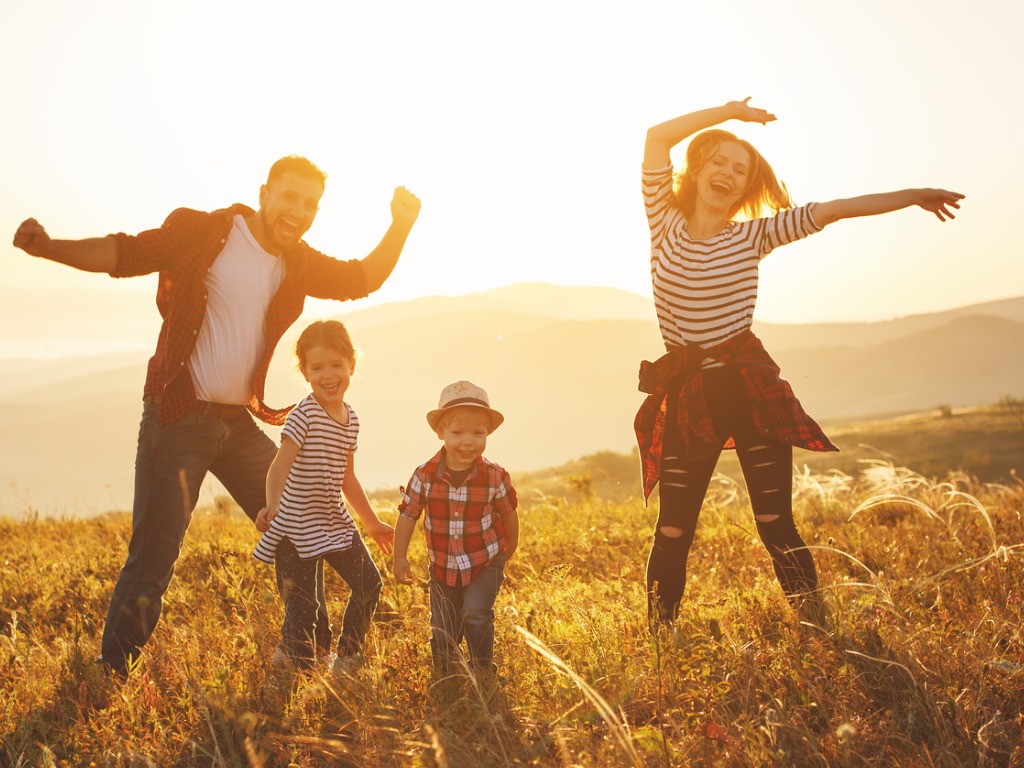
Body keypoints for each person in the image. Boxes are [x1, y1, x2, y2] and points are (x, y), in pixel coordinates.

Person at [12, 155, 421, 676]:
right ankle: (112, 672)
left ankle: (302, 651)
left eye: (311, 204)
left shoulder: (295, 259)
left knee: (294, 531)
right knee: (154, 558)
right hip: (178, 415)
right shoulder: (207, 232)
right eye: (290, 196)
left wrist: (400, 225)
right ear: (264, 193)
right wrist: (49, 248)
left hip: (237, 423)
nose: (299, 210)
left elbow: (360, 278)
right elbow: (126, 252)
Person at [636, 99, 963, 624]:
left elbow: (831, 210)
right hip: (690, 392)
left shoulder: (753, 235)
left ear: (745, 189)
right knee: (674, 529)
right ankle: (658, 636)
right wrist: (726, 112)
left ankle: (816, 626)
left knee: (774, 521)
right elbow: (655, 137)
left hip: (748, 389)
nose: (728, 173)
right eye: (719, 162)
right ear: (697, 170)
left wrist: (911, 197)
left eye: (740, 171)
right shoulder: (663, 221)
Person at [253, 320, 394, 674]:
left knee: (369, 585)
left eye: (336, 365)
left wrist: (373, 523)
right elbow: (279, 466)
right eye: (317, 367)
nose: (328, 375)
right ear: (304, 372)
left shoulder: (351, 419)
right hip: (295, 527)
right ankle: (288, 670)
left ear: (351, 365)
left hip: (333, 521)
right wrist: (272, 504)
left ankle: (346, 659)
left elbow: (347, 477)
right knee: (304, 612)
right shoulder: (304, 415)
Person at [393, 381, 519, 678]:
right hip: (442, 566)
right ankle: (446, 676)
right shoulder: (424, 475)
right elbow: (408, 515)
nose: (468, 442)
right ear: (440, 433)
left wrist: (509, 547)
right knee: (444, 627)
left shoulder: (494, 475)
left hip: (484, 559)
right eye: (457, 433)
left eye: (478, 434)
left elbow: (509, 513)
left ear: (487, 434)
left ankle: (482, 670)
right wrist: (400, 557)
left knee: (475, 613)